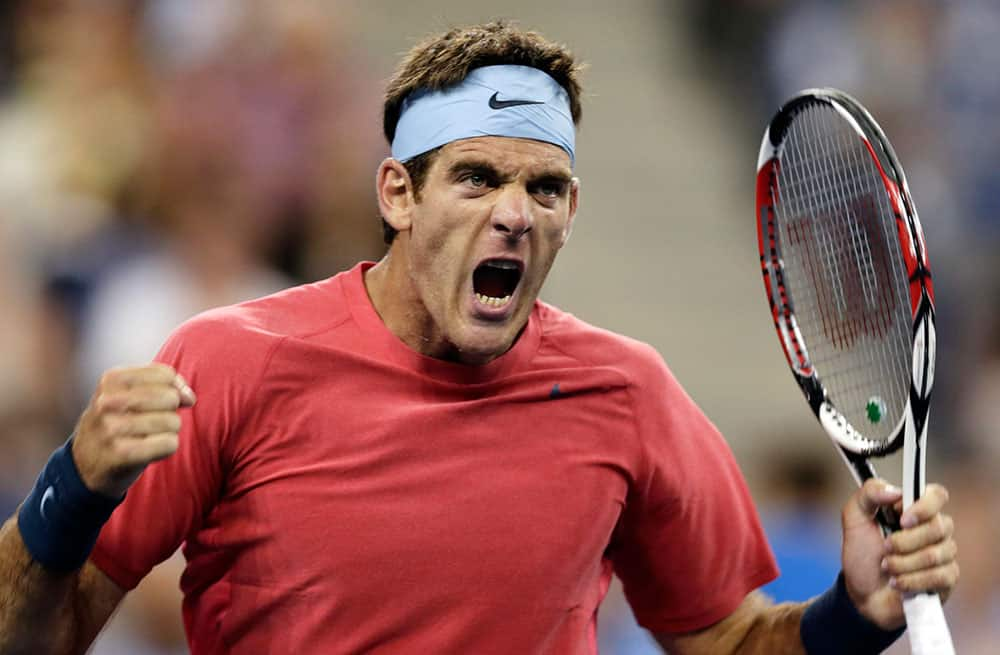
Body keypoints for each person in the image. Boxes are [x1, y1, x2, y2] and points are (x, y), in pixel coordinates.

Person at [0, 21, 958, 655]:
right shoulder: (230, 361)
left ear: (572, 209)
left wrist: (850, 618)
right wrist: (69, 489)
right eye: (476, 178)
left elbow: (727, 642)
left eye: (544, 189)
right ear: (397, 194)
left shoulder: (628, 391)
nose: (515, 213)